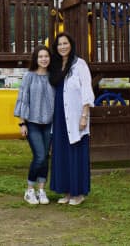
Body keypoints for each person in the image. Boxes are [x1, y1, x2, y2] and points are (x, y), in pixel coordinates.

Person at [48, 32, 95, 205]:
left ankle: (78, 194)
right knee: (62, 153)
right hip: (59, 116)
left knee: (76, 153)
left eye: (65, 43)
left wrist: (84, 116)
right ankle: (67, 192)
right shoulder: (55, 65)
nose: (62, 47)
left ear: (71, 45)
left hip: (76, 116)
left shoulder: (79, 64)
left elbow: (87, 90)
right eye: (59, 44)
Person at [14, 45, 55, 205]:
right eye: (41, 57)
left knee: (45, 157)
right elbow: (23, 99)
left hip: (49, 123)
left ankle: (41, 190)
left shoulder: (54, 76)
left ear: (50, 58)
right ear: (36, 59)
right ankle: (30, 190)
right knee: (39, 156)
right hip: (32, 123)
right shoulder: (29, 76)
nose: (44, 59)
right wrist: (22, 123)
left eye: (46, 56)